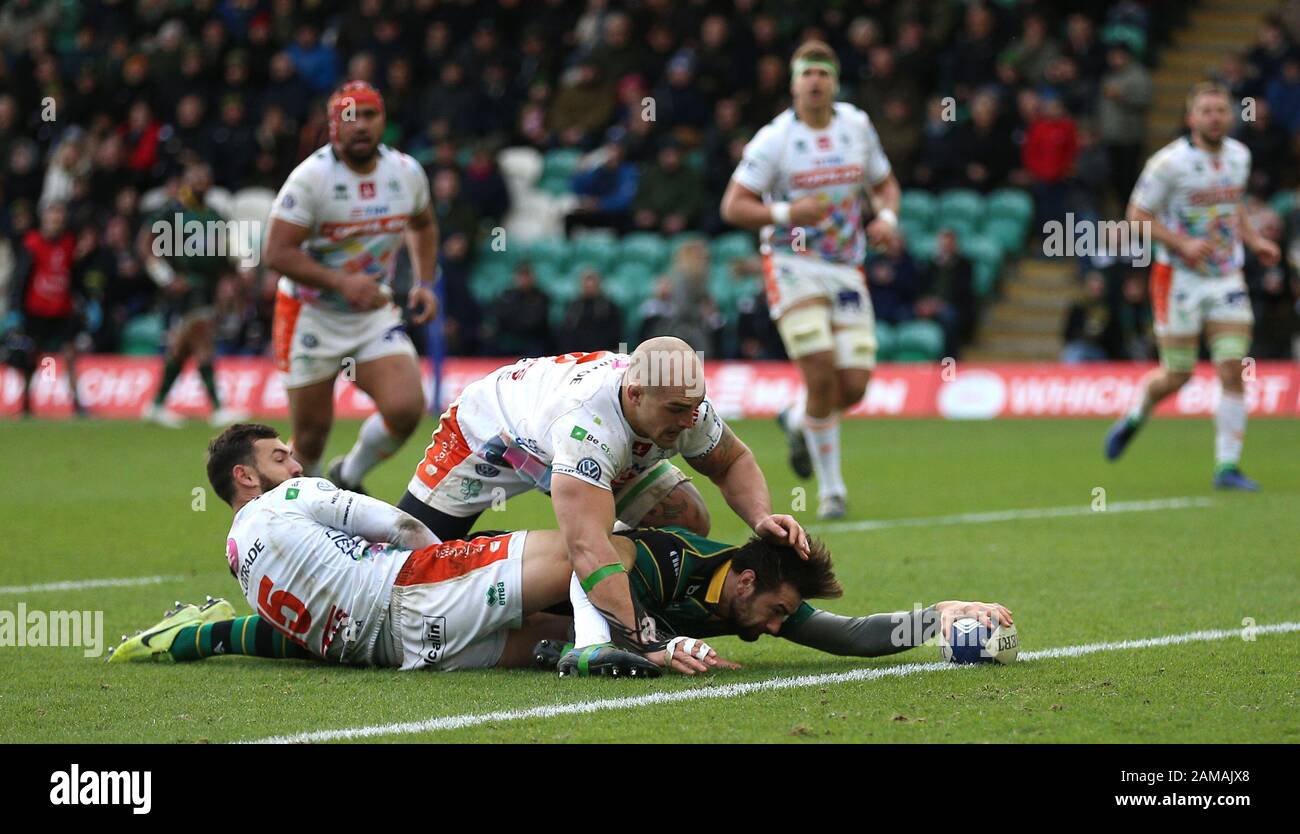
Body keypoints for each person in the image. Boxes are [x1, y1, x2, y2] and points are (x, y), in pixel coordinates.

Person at [110, 428, 1012, 674]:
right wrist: (645, 642)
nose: (777, 627)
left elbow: (847, 637)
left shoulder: (753, 598)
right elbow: (594, 556)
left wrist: (945, 618)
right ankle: (594, 648)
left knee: (527, 648)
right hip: (431, 585)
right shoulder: (666, 563)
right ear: (745, 574)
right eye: (776, 610)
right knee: (579, 585)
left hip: (390, 633)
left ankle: (208, 636)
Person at [394, 337, 809, 674]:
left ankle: (600, 614)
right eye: (678, 411)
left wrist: (761, 516)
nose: (689, 421)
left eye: (695, 408)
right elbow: (589, 547)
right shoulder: (588, 425)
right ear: (635, 393)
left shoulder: (681, 404)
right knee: (405, 562)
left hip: (598, 446)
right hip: (489, 437)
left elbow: (731, 460)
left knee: (685, 516)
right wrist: (649, 641)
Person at [721, 40, 902, 519]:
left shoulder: (857, 127)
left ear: (835, 81)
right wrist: (786, 211)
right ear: (794, 82)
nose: (816, 81)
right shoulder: (774, 139)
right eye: (807, 73)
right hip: (791, 261)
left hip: (845, 264)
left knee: (855, 386)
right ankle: (832, 493)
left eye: (824, 72)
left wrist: (886, 218)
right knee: (820, 373)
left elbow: (884, 184)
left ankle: (795, 417)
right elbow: (733, 205)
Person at [262, 80, 438, 493]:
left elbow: (424, 223)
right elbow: (276, 252)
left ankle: (349, 475)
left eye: (370, 114)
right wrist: (341, 282)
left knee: (407, 407)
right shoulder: (311, 179)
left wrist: (424, 281)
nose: (360, 125)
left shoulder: (406, 172)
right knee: (308, 439)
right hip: (310, 315)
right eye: (349, 116)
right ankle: (296, 522)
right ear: (332, 125)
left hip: (371, 313)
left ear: (384, 121)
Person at [1104, 83, 1281, 490]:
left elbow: (1233, 204)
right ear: (1191, 118)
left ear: (1230, 116)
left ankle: (1227, 467)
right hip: (1177, 278)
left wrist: (1254, 242)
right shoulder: (1168, 164)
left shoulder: (1240, 156)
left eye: (1221, 110)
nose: (1215, 117)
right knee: (1178, 374)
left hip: (1225, 277)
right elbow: (1137, 216)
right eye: (1206, 111)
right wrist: (1182, 242)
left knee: (1232, 367)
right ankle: (1136, 414)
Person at [5, 201, 86, 416]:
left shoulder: (68, 242)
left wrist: (84, 299)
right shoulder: (32, 243)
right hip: (36, 310)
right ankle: (26, 402)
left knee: (69, 353)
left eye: (60, 214)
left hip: (62, 310)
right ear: (44, 218)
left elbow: (73, 275)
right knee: (33, 357)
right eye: (53, 214)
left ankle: (77, 403)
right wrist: (15, 309)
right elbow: (20, 278)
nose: (57, 219)